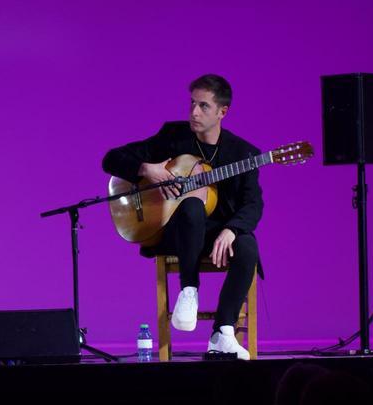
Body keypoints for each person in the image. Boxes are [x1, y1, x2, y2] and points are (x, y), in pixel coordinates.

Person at [102, 74, 261, 359]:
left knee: (248, 246)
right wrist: (146, 169)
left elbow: (253, 204)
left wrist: (232, 230)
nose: (194, 112)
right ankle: (189, 289)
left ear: (222, 112)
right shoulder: (173, 136)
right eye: (191, 104)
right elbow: (111, 159)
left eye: (203, 106)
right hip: (176, 230)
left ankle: (223, 331)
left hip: (217, 232)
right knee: (191, 206)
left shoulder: (242, 153)